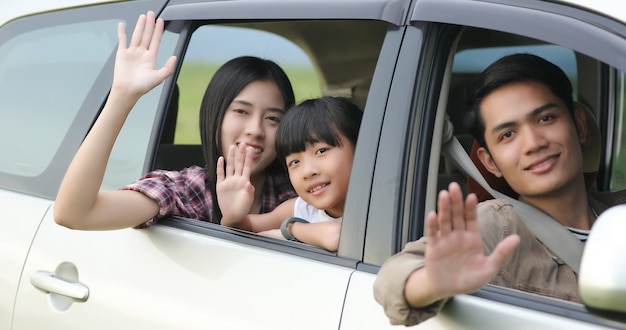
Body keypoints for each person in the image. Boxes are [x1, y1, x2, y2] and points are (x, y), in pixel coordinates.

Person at [373, 53, 626, 326]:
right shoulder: (497, 224)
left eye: (545, 118)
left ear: (578, 124)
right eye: (507, 134)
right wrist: (432, 282)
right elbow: (391, 279)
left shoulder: (619, 210)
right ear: (490, 162)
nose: (533, 143)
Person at [54, 11, 297, 230]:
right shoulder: (191, 188)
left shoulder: (299, 187)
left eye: (273, 118)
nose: (255, 130)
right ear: (215, 117)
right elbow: (74, 214)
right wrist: (121, 97)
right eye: (241, 112)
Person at [215, 96, 362, 251]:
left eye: (321, 151)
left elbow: (336, 237)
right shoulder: (302, 208)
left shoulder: (381, 207)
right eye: (295, 162)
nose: (307, 171)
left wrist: (291, 229)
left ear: (360, 148)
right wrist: (233, 217)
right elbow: (247, 227)